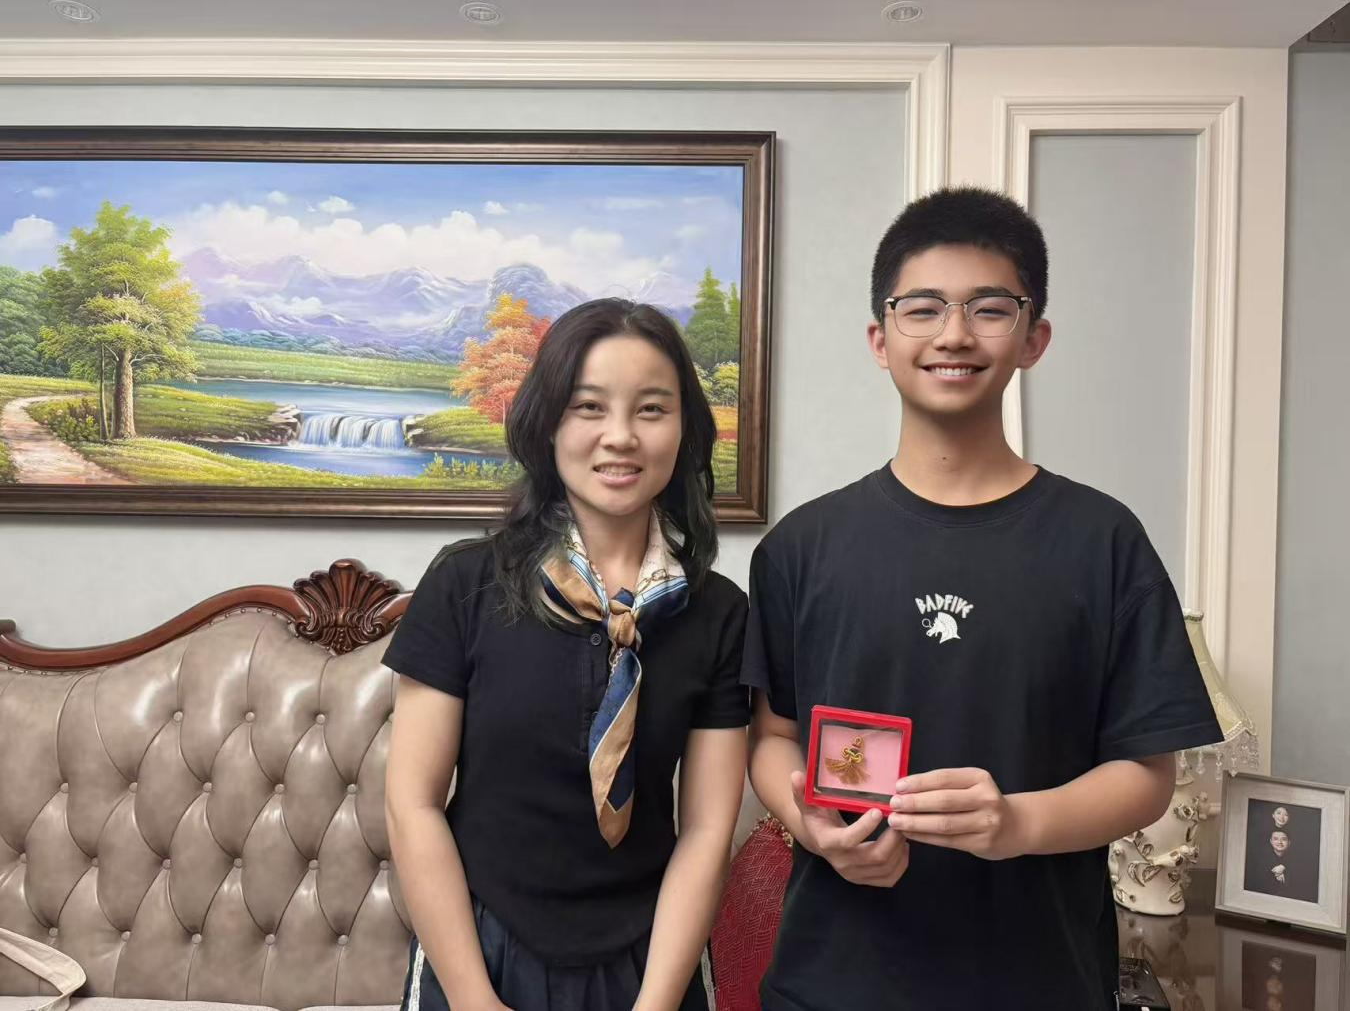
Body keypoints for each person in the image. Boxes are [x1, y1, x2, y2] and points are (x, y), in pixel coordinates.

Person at [741, 187, 1222, 1009]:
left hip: (1042, 981)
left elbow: (1146, 774)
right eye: (923, 308)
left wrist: (1017, 823)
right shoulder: (801, 546)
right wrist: (813, 826)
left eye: (990, 308)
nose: (954, 334)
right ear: (880, 339)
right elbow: (774, 738)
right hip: (832, 981)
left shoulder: (1103, 540)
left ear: (1035, 339)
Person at [384, 298, 749, 1011]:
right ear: (548, 421)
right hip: (481, 949)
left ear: (685, 429)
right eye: (589, 407)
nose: (621, 437)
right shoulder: (465, 585)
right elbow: (412, 804)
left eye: (651, 409)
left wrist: (656, 1003)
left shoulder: (718, 612)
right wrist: (475, 1000)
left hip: (653, 958)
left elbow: (708, 831)